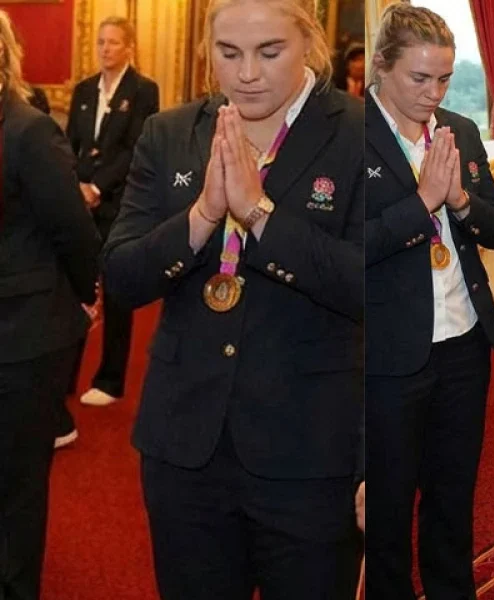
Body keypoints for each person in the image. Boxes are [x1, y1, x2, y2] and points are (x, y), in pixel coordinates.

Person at [101, 0, 364, 597]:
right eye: (229, 53)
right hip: (184, 448)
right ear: (207, 54)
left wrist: (259, 214)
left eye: (269, 52)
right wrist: (202, 217)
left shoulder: (360, 132)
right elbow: (121, 276)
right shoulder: (169, 133)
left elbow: (374, 286)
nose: (247, 72)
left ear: (309, 45)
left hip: (310, 451)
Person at [363, 5, 494, 600]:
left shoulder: (459, 128)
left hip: (464, 345)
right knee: (388, 505)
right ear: (381, 66)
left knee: (453, 497)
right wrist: (422, 201)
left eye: (445, 78)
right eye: (419, 78)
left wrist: (461, 203)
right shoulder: (348, 136)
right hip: (390, 352)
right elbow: (343, 250)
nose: (434, 92)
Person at [0, 10, 101, 598]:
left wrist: (85, 292)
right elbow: (74, 231)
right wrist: (89, 291)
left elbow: (72, 233)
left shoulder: (26, 130)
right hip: (25, 332)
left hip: (23, 337)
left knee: (16, 485)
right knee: (15, 485)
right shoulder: (30, 129)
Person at [65, 16, 160, 411]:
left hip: (119, 203)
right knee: (75, 289)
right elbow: (71, 142)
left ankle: (111, 377)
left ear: (129, 48)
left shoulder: (143, 90)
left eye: (113, 42)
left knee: (117, 290)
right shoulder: (84, 90)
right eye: (101, 42)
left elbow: (132, 147)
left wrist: (97, 186)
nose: (105, 48)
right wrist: (74, 185)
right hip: (79, 202)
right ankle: (66, 375)